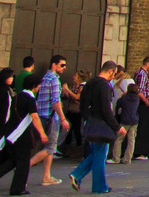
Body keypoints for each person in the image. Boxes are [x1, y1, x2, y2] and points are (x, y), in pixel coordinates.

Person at [68, 61, 127, 194]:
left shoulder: (90, 83)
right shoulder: (104, 86)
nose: (114, 76)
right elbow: (106, 110)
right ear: (111, 71)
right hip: (102, 125)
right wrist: (117, 127)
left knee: (96, 154)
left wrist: (87, 119)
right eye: (114, 73)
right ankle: (98, 186)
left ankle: (78, 175)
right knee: (100, 157)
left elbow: (82, 104)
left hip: (90, 123)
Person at [0, 73, 48, 196]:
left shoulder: (17, 96)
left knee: (12, 161)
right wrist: (42, 133)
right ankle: (17, 188)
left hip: (10, 133)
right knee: (23, 162)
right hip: (20, 135)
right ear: (34, 86)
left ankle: (17, 187)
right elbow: (34, 117)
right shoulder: (30, 99)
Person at [30, 54, 70, 187]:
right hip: (51, 117)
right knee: (51, 147)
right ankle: (25, 166)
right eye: (62, 65)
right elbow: (56, 101)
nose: (64, 68)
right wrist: (63, 119)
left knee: (45, 147)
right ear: (54, 64)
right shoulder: (54, 79)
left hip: (42, 115)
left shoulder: (45, 77)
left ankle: (46, 175)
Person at [108, 83, 140, 164]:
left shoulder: (124, 98)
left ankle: (116, 158)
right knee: (131, 140)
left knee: (119, 139)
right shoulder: (137, 98)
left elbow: (119, 104)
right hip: (134, 120)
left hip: (125, 120)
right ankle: (127, 159)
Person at [60, 69, 89, 150]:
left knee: (77, 130)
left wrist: (68, 90)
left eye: (75, 76)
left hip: (77, 112)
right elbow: (70, 97)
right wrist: (65, 93)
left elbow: (77, 97)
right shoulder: (74, 86)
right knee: (68, 130)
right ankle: (66, 147)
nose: (73, 77)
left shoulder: (82, 87)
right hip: (70, 110)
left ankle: (78, 148)